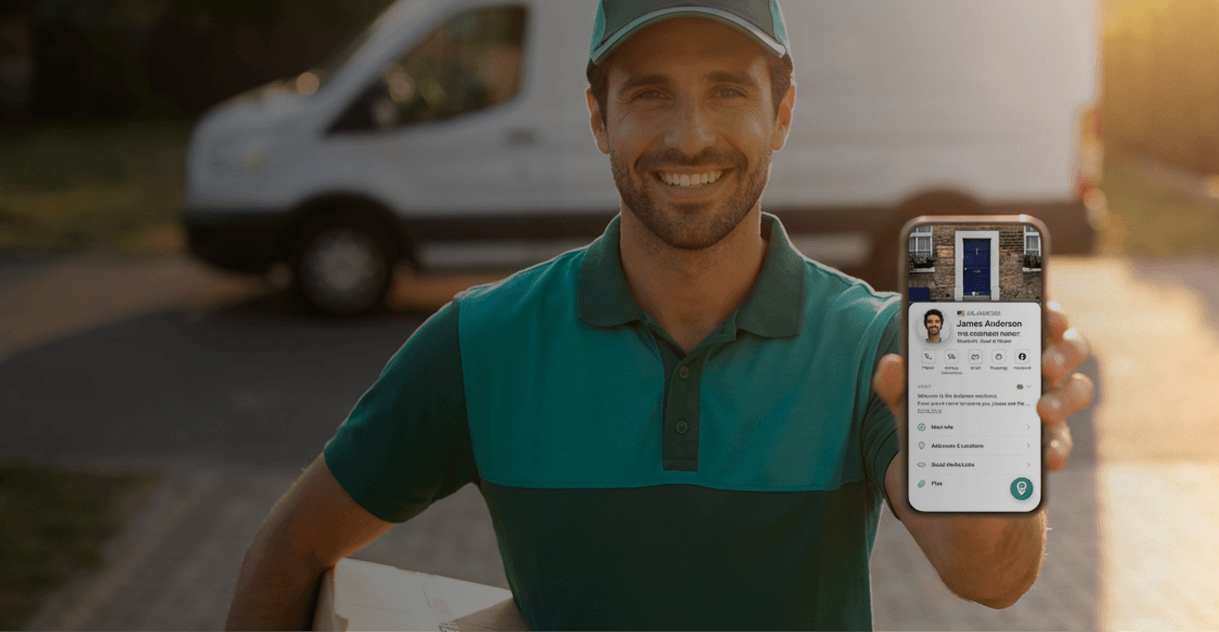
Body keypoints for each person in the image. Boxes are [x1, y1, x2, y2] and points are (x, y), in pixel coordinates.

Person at [224, 1, 1095, 629]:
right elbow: (294, 547)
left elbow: (992, 579)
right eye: (648, 95)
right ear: (599, 118)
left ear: (780, 114)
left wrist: (993, 466)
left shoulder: (873, 347)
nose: (688, 136)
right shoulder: (480, 342)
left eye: (727, 92)